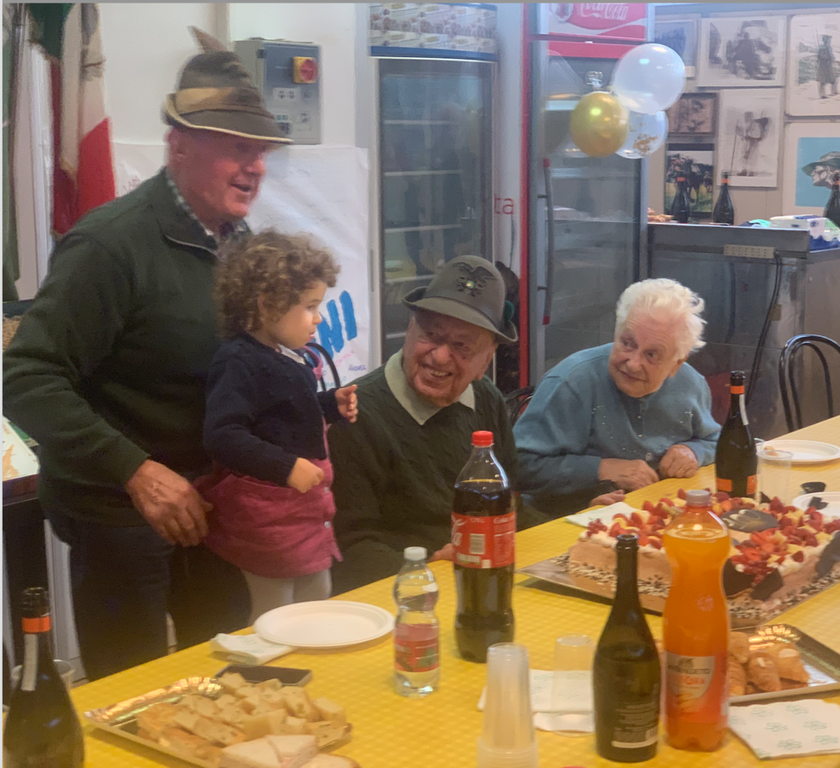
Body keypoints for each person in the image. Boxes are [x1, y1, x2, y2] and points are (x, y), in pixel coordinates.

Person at [2, 48, 290, 679]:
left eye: (262, 150)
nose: (256, 166)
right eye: (238, 147)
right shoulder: (109, 245)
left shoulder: (236, 242)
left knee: (228, 672)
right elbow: (24, 377)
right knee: (130, 693)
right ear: (178, 144)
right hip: (120, 512)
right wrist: (135, 471)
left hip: (212, 502)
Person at [328, 255, 531, 593]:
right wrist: (424, 571)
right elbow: (350, 549)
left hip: (481, 579)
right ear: (410, 330)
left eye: (462, 346)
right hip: (401, 596)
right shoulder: (355, 413)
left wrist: (580, 526)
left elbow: (508, 507)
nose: (439, 355)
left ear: (487, 360)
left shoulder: (487, 399)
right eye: (430, 335)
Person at [195, 231, 358, 622]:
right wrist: (285, 467)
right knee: (274, 611)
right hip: (268, 517)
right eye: (309, 307)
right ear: (267, 305)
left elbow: (285, 416)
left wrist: (329, 405)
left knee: (317, 592)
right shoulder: (238, 361)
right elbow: (223, 436)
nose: (318, 318)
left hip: (301, 510)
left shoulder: (285, 355)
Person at [514, 279, 721, 517]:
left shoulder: (691, 384)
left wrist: (693, 451)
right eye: (627, 343)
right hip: (564, 520)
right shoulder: (571, 382)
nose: (633, 364)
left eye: (651, 354)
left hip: (657, 514)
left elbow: (715, 440)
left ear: (677, 364)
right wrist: (602, 469)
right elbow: (517, 466)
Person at [816, 34, 838, 99]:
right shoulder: (822, 47)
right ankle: (822, 95)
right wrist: (826, 58)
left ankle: (834, 91)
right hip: (824, 66)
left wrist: (832, 59)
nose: (829, 41)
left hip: (829, 65)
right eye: (828, 39)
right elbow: (819, 56)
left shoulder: (829, 47)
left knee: (833, 79)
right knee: (823, 81)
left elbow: (831, 56)